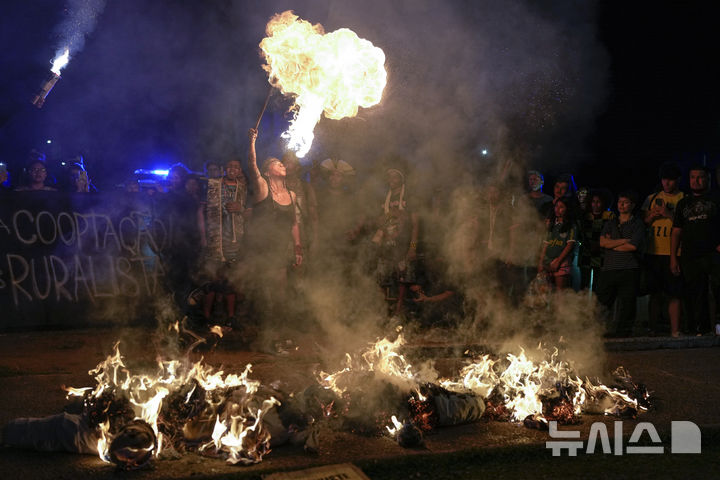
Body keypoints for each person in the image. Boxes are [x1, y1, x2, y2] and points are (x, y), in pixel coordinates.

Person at [246, 128, 303, 319]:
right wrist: (252, 142)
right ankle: (264, 331)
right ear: (268, 172)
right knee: (265, 288)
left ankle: (278, 328)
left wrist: (297, 248)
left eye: (282, 164)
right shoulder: (263, 188)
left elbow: (294, 223)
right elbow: (252, 165)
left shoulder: (291, 194)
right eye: (277, 164)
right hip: (261, 248)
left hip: (280, 248)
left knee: (281, 289)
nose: (282, 165)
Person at [198, 158, 249, 325]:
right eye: (230, 166)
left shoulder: (243, 188)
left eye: (236, 166)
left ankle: (230, 317)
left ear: (240, 170)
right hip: (215, 239)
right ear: (224, 168)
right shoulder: (213, 184)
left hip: (235, 241)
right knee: (213, 279)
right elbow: (201, 211)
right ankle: (206, 318)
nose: (233, 169)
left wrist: (240, 209)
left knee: (231, 280)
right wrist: (204, 237)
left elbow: (251, 212)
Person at [670, 165, 720, 336]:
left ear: (707, 179)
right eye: (692, 177)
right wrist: (673, 257)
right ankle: (699, 328)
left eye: (700, 177)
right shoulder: (683, 203)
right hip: (690, 255)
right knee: (694, 292)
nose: (696, 181)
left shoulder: (716, 199)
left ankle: (718, 327)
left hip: (714, 253)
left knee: (718, 288)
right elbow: (676, 231)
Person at [641, 162, 684, 336]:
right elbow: (643, 222)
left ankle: (675, 330)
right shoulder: (652, 198)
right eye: (665, 179)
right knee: (654, 292)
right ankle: (653, 328)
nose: (667, 183)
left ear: (677, 180)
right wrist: (651, 215)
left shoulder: (683, 198)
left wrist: (668, 215)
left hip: (674, 252)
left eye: (671, 180)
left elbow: (686, 225)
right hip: (653, 251)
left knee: (674, 293)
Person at [371, 165, 419, 317]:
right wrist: (387, 219)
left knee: (403, 279)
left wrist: (412, 247)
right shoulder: (383, 198)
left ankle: (398, 312)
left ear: (401, 179)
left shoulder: (409, 198)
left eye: (395, 176)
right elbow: (378, 221)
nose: (392, 180)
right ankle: (383, 312)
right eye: (389, 177)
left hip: (404, 245)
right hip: (386, 244)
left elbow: (415, 225)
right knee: (381, 277)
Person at [597, 191, 645, 337]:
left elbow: (633, 247)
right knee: (603, 302)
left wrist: (612, 245)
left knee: (627, 303)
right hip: (609, 268)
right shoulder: (611, 223)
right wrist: (624, 240)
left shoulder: (638, 224)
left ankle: (623, 332)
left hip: (629, 268)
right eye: (619, 202)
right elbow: (602, 243)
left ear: (633, 205)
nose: (622, 205)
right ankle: (598, 331)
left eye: (625, 202)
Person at [538, 197, 578, 290]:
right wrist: (541, 262)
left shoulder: (571, 225)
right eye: (556, 206)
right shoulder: (551, 224)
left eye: (561, 207)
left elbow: (569, 245)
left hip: (561, 264)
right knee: (546, 293)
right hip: (547, 262)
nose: (557, 209)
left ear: (567, 209)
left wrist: (558, 261)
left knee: (560, 295)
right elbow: (546, 243)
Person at [579, 189, 615, 291]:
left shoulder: (609, 216)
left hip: (602, 254)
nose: (595, 204)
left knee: (598, 286)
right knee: (584, 285)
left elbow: (611, 234)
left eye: (598, 202)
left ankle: (596, 306)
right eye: (593, 201)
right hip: (586, 254)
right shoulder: (585, 216)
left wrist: (599, 244)